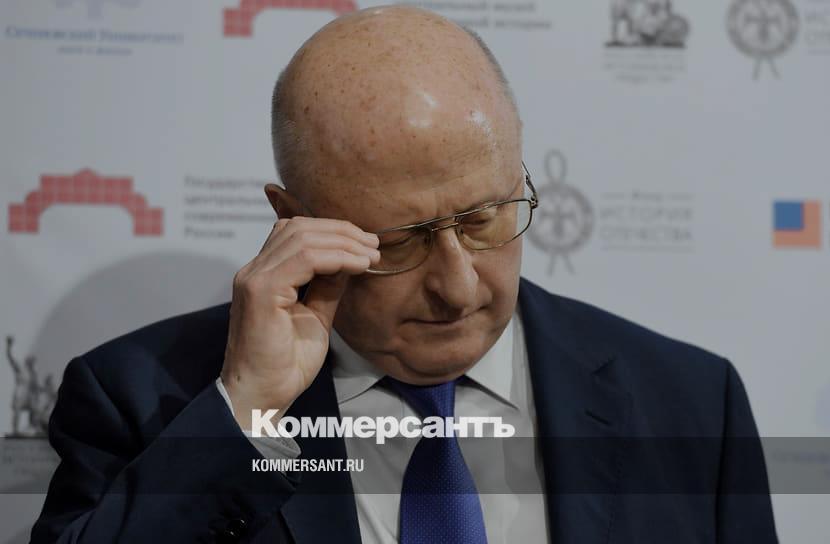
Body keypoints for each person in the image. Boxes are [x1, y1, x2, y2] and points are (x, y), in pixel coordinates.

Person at [31, 5, 778, 543]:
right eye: (398, 241)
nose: (459, 288)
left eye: (485, 218)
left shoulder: (691, 403)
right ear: (293, 222)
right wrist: (247, 413)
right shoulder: (140, 400)